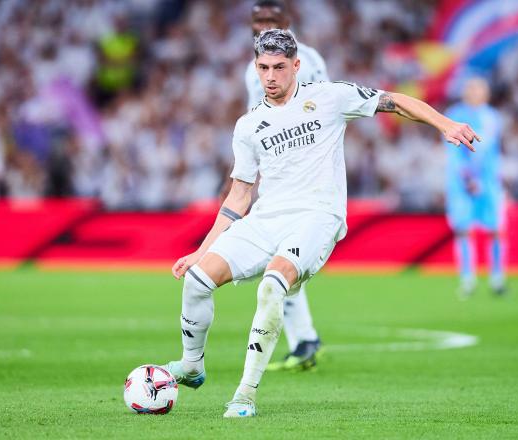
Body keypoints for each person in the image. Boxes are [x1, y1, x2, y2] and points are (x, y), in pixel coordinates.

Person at [164, 29, 479, 418]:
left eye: (279, 67)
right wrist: (202, 250)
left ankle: (245, 394)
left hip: (317, 216)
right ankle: (192, 366)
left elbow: (394, 100)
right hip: (267, 217)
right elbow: (240, 195)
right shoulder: (248, 125)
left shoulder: (328, 97)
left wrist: (444, 124)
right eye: (263, 68)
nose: (271, 76)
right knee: (197, 281)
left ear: (296, 66)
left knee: (273, 284)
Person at [245, 0, 329, 372]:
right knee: (282, 257)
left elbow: (316, 113)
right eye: (258, 19)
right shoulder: (259, 66)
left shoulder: (300, 63)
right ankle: (305, 340)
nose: (263, 25)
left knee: (280, 258)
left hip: (299, 173)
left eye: (271, 20)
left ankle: (304, 340)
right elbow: (256, 124)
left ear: (287, 23)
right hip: (280, 170)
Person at [444, 77, 506, 297]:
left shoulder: (493, 117)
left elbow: (492, 151)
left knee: (496, 230)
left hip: (489, 182)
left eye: (480, 89)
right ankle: (467, 279)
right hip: (461, 184)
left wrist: (483, 178)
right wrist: (467, 177)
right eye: (471, 88)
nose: (475, 92)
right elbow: (453, 152)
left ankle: (497, 279)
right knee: (463, 230)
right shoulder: (454, 114)